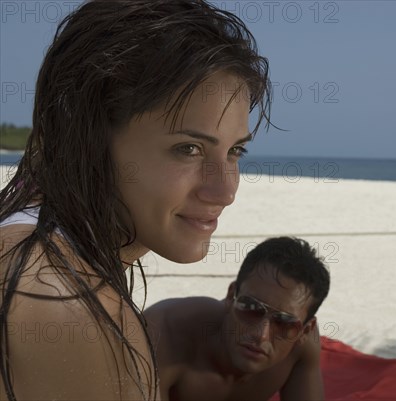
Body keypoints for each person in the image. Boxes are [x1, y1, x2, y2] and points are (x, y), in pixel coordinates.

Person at [0, 1, 272, 400]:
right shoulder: (71, 307)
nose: (225, 192)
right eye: (189, 149)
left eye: (235, 152)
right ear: (90, 137)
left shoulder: (27, 227)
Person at [144, 237, 331, 401]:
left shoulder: (301, 349)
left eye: (283, 322)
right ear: (230, 295)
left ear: (305, 331)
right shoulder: (163, 332)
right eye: (251, 308)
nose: (261, 334)